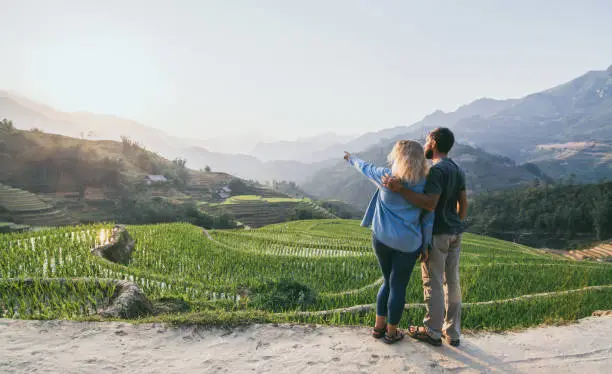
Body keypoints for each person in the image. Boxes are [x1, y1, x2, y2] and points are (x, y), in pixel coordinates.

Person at [382, 127, 468, 347]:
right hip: (454, 233)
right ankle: (453, 332)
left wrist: (400, 189)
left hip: (438, 234)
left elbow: (429, 203)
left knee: (434, 282)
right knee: (453, 281)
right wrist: (456, 223)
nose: (425, 145)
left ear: (434, 142)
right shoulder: (458, 169)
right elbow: (463, 203)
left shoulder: (436, 172)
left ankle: (432, 331)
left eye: (427, 140)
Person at [344, 140, 431, 344]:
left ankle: (378, 328)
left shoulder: (385, 176)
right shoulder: (424, 183)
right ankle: (392, 333)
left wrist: (350, 158)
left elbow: (363, 167)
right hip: (408, 244)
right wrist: (426, 244)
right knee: (398, 285)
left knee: (386, 282)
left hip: (382, 239)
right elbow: (428, 218)